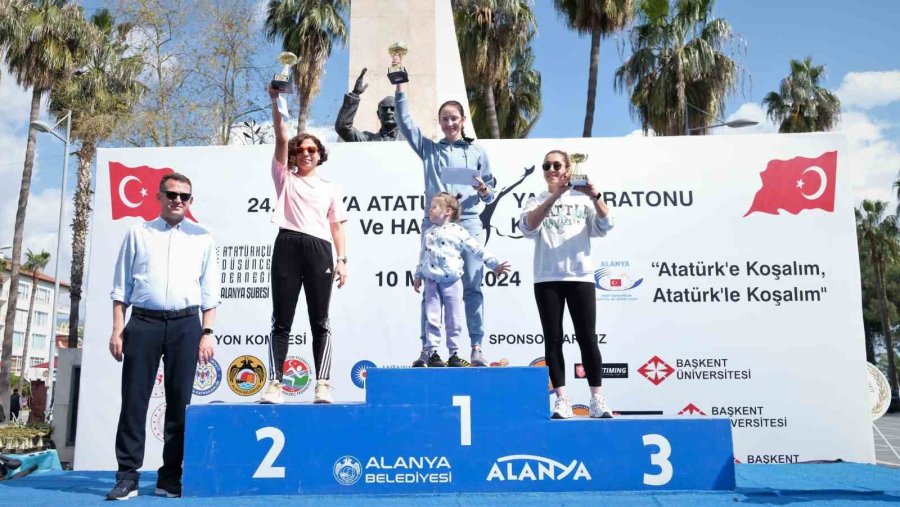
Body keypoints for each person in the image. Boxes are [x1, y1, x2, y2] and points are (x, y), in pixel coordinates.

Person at [107, 173, 220, 500]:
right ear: (159, 196)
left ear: (191, 201)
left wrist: (208, 332)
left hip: (187, 325)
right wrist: (117, 328)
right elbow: (120, 287)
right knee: (134, 401)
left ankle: (170, 477)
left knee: (179, 404)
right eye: (171, 194)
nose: (178, 201)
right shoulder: (138, 232)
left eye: (184, 196)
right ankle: (127, 476)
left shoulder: (203, 237)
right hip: (143, 323)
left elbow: (210, 291)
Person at [392, 53, 497, 367]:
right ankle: (429, 350)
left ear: (463, 120)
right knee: (431, 287)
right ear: (439, 123)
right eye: (444, 119)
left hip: (468, 222)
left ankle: (476, 347)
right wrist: (400, 88)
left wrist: (483, 191)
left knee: (473, 286)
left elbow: (490, 195)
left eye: (454, 118)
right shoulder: (430, 150)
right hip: (435, 225)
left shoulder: (478, 151)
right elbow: (405, 124)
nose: (449, 123)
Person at [261, 84, 349, 405]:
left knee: (320, 320)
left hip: (319, 250)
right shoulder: (284, 177)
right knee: (281, 318)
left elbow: (337, 225)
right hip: (287, 244)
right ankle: (275, 383)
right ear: (295, 155)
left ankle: (322, 383)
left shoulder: (329, 187)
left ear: (319, 155)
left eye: (312, 150)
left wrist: (342, 260)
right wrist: (277, 100)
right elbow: (282, 137)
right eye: (302, 150)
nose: (307, 154)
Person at [519, 150, 615, 420]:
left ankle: (597, 399)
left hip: (580, 277)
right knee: (553, 340)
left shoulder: (583, 199)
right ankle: (562, 400)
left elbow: (606, 224)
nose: (551, 169)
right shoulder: (535, 200)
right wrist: (555, 195)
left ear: (568, 169)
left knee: (588, 338)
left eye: (556, 164)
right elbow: (528, 227)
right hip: (547, 278)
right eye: (546, 165)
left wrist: (595, 195)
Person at [414, 193, 511, 366]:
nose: (430, 210)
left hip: (452, 282)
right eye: (430, 207)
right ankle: (433, 352)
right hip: (431, 283)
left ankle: (454, 354)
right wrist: (418, 275)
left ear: (447, 211)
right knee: (432, 318)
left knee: (454, 319)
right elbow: (423, 256)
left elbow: (476, 249)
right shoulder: (428, 233)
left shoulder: (458, 231)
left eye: (434, 207)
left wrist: (494, 264)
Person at [335, 68, 404, 142]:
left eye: (392, 108)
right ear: (378, 114)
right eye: (384, 109)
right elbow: (343, 127)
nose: (389, 112)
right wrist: (355, 94)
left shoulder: (411, 140)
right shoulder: (367, 140)